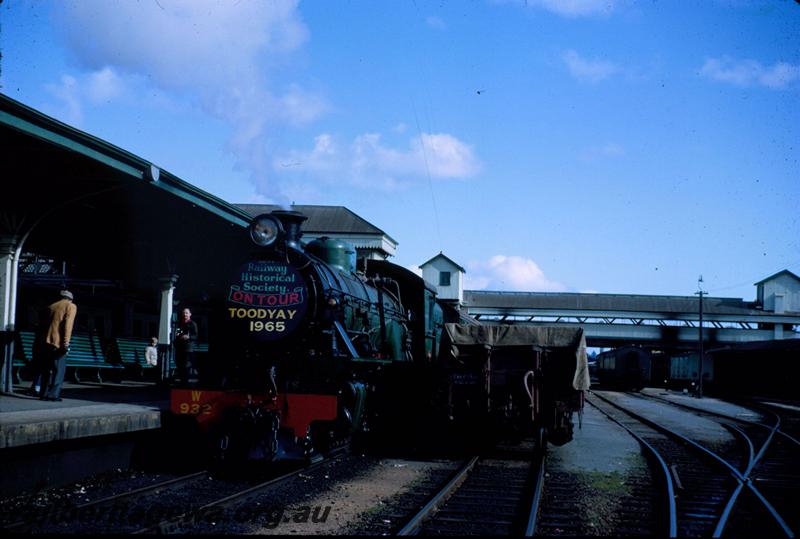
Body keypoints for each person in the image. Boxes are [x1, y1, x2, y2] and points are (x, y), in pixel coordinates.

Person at [39, 290, 78, 402]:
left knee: (47, 369)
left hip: (46, 342)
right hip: (58, 342)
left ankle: (43, 393)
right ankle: (53, 395)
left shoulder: (51, 306)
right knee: (59, 370)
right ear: (70, 299)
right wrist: (66, 343)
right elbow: (68, 325)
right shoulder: (71, 306)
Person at [173, 307, 197, 384]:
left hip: (188, 348)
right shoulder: (180, 324)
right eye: (184, 313)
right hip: (180, 347)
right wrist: (180, 336)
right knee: (179, 363)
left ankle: (185, 381)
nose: (185, 314)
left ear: (190, 314)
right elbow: (177, 334)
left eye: (186, 313)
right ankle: (182, 380)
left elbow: (195, 336)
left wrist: (189, 337)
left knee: (186, 365)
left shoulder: (193, 324)